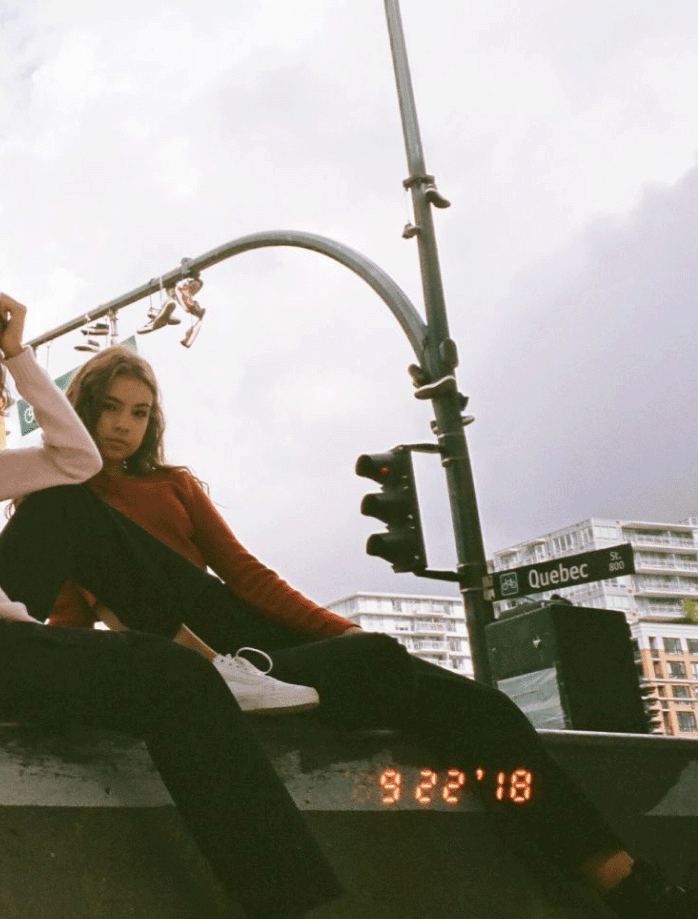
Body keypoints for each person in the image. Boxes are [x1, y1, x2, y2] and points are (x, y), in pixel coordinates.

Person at [42, 343, 697, 919]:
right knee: (379, 664)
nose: (124, 424)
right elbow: (66, 623)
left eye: (139, 411)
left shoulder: (173, 486)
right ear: (83, 409)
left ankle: (618, 875)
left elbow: (248, 576)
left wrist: (343, 634)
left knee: (473, 702)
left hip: (260, 641)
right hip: (199, 662)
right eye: (110, 408)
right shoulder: (67, 506)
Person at [0, 289, 343, 919]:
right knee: (170, 676)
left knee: (62, 506)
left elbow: (76, 460)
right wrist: (39, 640)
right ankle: (292, 901)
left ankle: (217, 662)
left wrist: (21, 356)